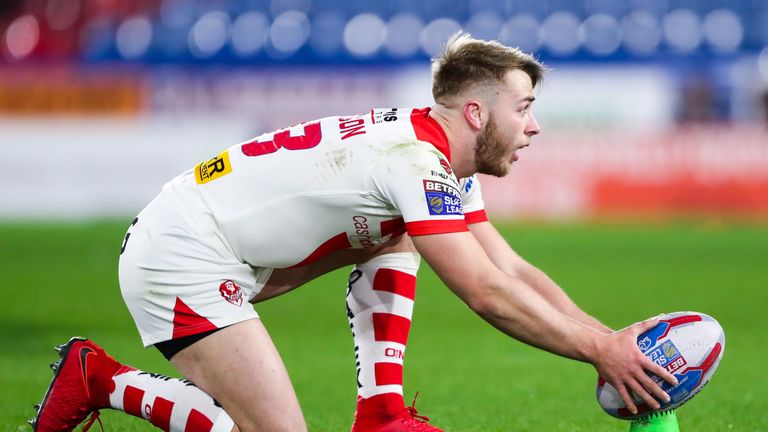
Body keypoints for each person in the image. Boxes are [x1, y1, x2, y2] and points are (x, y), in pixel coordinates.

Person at [31, 33, 677, 432]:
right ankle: (101, 378)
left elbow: (510, 270)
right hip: (181, 254)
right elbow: (485, 292)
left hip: (213, 246)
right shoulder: (415, 164)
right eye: (525, 109)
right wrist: (597, 354)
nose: (534, 127)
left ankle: (381, 413)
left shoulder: (439, 161)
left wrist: (607, 338)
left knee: (400, 230)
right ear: (477, 112)